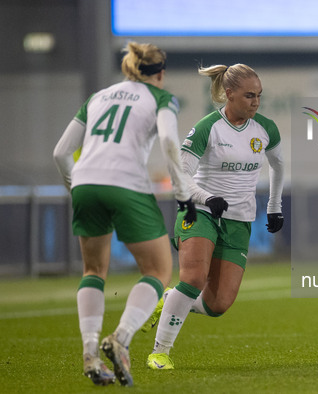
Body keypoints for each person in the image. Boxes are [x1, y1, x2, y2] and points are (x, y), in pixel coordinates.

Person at [53, 42, 196, 386]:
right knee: (159, 270)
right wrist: (183, 193)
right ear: (160, 73)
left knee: (93, 270)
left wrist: (77, 186)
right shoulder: (161, 98)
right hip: (126, 184)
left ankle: (90, 353)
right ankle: (121, 338)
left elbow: (60, 153)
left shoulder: (99, 97)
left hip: (85, 182)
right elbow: (168, 142)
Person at [144, 63, 285, 370]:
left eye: (259, 96)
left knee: (218, 304)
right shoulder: (208, 127)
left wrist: (274, 206)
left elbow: (278, 165)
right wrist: (207, 198)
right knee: (193, 278)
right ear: (229, 93)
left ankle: (171, 299)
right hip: (200, 211)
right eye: (249, 96)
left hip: (239, 220)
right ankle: (160, 351)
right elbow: (179, 173)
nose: (255, 102)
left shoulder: (265, 129)